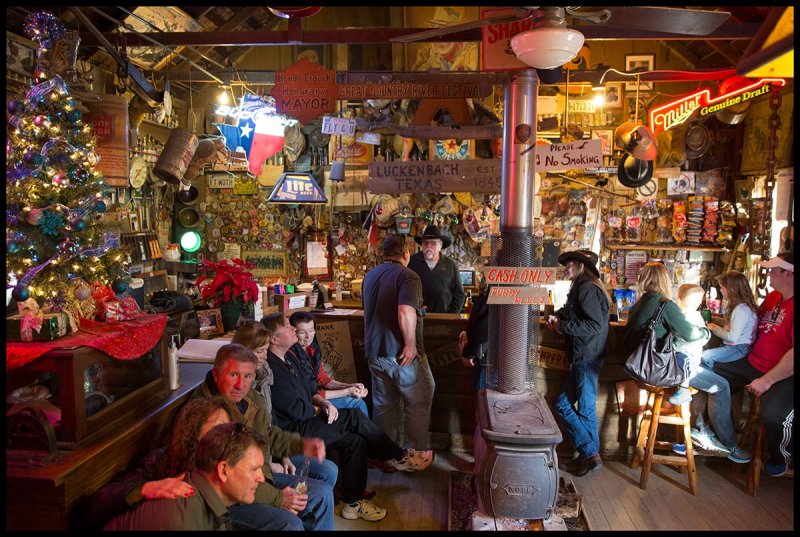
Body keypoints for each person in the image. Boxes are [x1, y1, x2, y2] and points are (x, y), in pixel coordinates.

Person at [263, 312, 434, 522]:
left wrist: (324, 402)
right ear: (273, 338)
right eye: (288, 326)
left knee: (356, 440)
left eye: (305, 329)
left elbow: (311, 388)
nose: (293, 330)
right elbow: (298, 410)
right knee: (353, 415)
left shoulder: (290, 354)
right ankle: (397, 455)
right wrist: (322, 407)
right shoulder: (272, 366)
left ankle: (353, 504)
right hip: (293, 430)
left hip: (307, 419)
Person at [191, 343, 335, 531]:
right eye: (233, 375)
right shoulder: (207, 414)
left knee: (322, 493)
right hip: (227, 500)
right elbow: (233, 478)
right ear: (216, 373)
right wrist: (278, 498)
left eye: (248, 376)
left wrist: (301, 445)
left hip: (260, 479)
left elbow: (268, 434)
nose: (240, 385)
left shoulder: (250, 397)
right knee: (290, 524)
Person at [88, 397, 233, 529]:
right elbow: (98, 501)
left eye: (229, 429)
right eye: (219, 428)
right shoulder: (160, 459)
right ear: (194, 431)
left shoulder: (221, 461)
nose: (226, 436)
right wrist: (146, 488)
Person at [711, 253, 794, 476]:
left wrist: (767, 381)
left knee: (773, 415)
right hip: (753, 362)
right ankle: (718, 438)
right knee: (709, 374)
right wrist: (724, 323)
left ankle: (781, 456)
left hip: (783, 373)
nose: (768, 274)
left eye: (773, 270)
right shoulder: (773, 297)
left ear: (788, 273)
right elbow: (752, 322)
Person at [232, 320, 339, 489]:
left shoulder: (263, 376)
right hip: (254, 468)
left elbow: (269, 424)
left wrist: (284, 455)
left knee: (329, 469)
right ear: (242, 352)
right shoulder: (236, 390)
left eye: (266, 350)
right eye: (260, 351)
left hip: (272, 453)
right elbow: (238, 448)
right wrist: (267, 465)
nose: (265, 357)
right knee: (322, 491)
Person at [103, 421, 268, 530]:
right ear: (223, 470)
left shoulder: (200, 490)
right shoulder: (181, 520)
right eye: (254, 469)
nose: (261, 478)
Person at [362, 235, 436, 450]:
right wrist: (410, 344)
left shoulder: (370, 276)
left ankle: (387, 456)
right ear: (406, 254)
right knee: (418, 402)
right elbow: (405, 310)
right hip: (400, 354)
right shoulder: (408, 276)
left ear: (383, 254)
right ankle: (415, 457)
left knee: (384, 406)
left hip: (374, 353)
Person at [547, 250, 610, 477]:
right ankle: (588, 457)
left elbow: (595, 325)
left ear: (582, 267)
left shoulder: (587, 289)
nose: (567, 268)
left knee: (581, 409)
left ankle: (589, 455)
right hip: (585, 356)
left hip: (587, 357)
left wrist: (561, 327)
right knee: (567, 406)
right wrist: (558, 315)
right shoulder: (582, 288)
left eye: (570, 264)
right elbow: (574, 313)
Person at [288, 310, 369, 417]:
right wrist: (347, 391)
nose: (309, 336)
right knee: (356, 403)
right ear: (293, 332)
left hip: (318, 394)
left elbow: (324, 380)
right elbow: (310, 392)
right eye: (302, 332)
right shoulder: (291, 355)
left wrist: (351, 385)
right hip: (308, 399)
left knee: (356, 401)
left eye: (311, 330)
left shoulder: (312, 348)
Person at [701, 271, 759, 369]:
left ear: (731, 289)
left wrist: (714, 327)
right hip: (739, 346)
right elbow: (736, 325)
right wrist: (717, 320)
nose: (720, 290)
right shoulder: (742, 307)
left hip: (739, 348)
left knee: (705, 357)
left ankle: (713, 381)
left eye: (722, 288)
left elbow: (732, 337)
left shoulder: (741, 310)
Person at [407, 224, 466, 314]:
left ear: (440, 245)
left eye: (433, 243)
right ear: (422, 245)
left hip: (443, 319)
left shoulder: (451, 265)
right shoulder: (411, 263)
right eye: (426, 243)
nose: (429, 246)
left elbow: (459, 294)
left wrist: (451, 315)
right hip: (416, 318)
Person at [669, 284, 711, 405]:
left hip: (681, 354)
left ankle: (683, 390)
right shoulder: (695, 315)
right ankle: (683, 391)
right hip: (688, 355)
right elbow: (703, 338)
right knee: (685, 361)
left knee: (685, 359)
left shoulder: (677, 313)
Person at [458, 280, 490, 391]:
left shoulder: (493, 297)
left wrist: (468, 354)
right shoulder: (520, 295)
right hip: (516, 365)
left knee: (484, 403)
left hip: (488, 363)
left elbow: (483, 329)